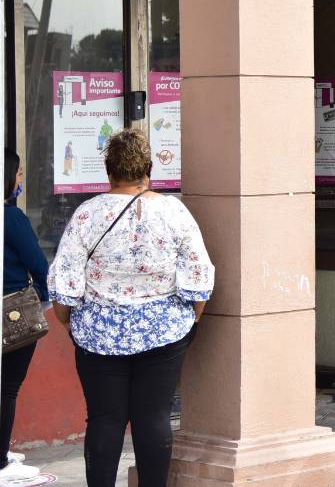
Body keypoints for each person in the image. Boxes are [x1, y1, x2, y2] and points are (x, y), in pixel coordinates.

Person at [47, 129, 215, 487]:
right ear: (149, 169)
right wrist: (188, 322)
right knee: (153, 417)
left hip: (97, 336)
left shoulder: (86, 215)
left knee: (104, 420)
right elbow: (199, 277)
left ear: (108, 171)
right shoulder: (174, 212)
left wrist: (72, 323)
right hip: (164, 333)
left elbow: (64, 289)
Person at [1, 151, 47, 483]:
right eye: (18, 174)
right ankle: (1, 461)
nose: (20, 180)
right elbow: (39, 264)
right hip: (11, 313)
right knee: (7, 387)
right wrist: (42, 298)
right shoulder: (11, 218)